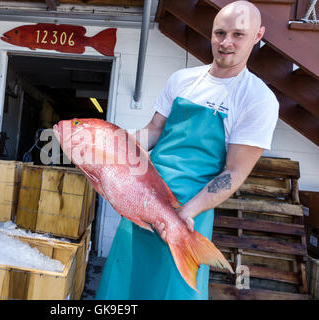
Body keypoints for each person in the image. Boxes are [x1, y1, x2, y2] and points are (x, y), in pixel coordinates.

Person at [95, 1, 279, 300]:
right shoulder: (182, 80)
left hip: (189, 212)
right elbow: (153, 131)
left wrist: (185, 213)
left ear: (258, 35)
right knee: (123, 283)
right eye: (219, 33)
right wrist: (111, 144)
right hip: (144, 200)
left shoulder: (258, 99)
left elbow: (234, 172)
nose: (226, 42)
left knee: (173, 289)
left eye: (238, 34)